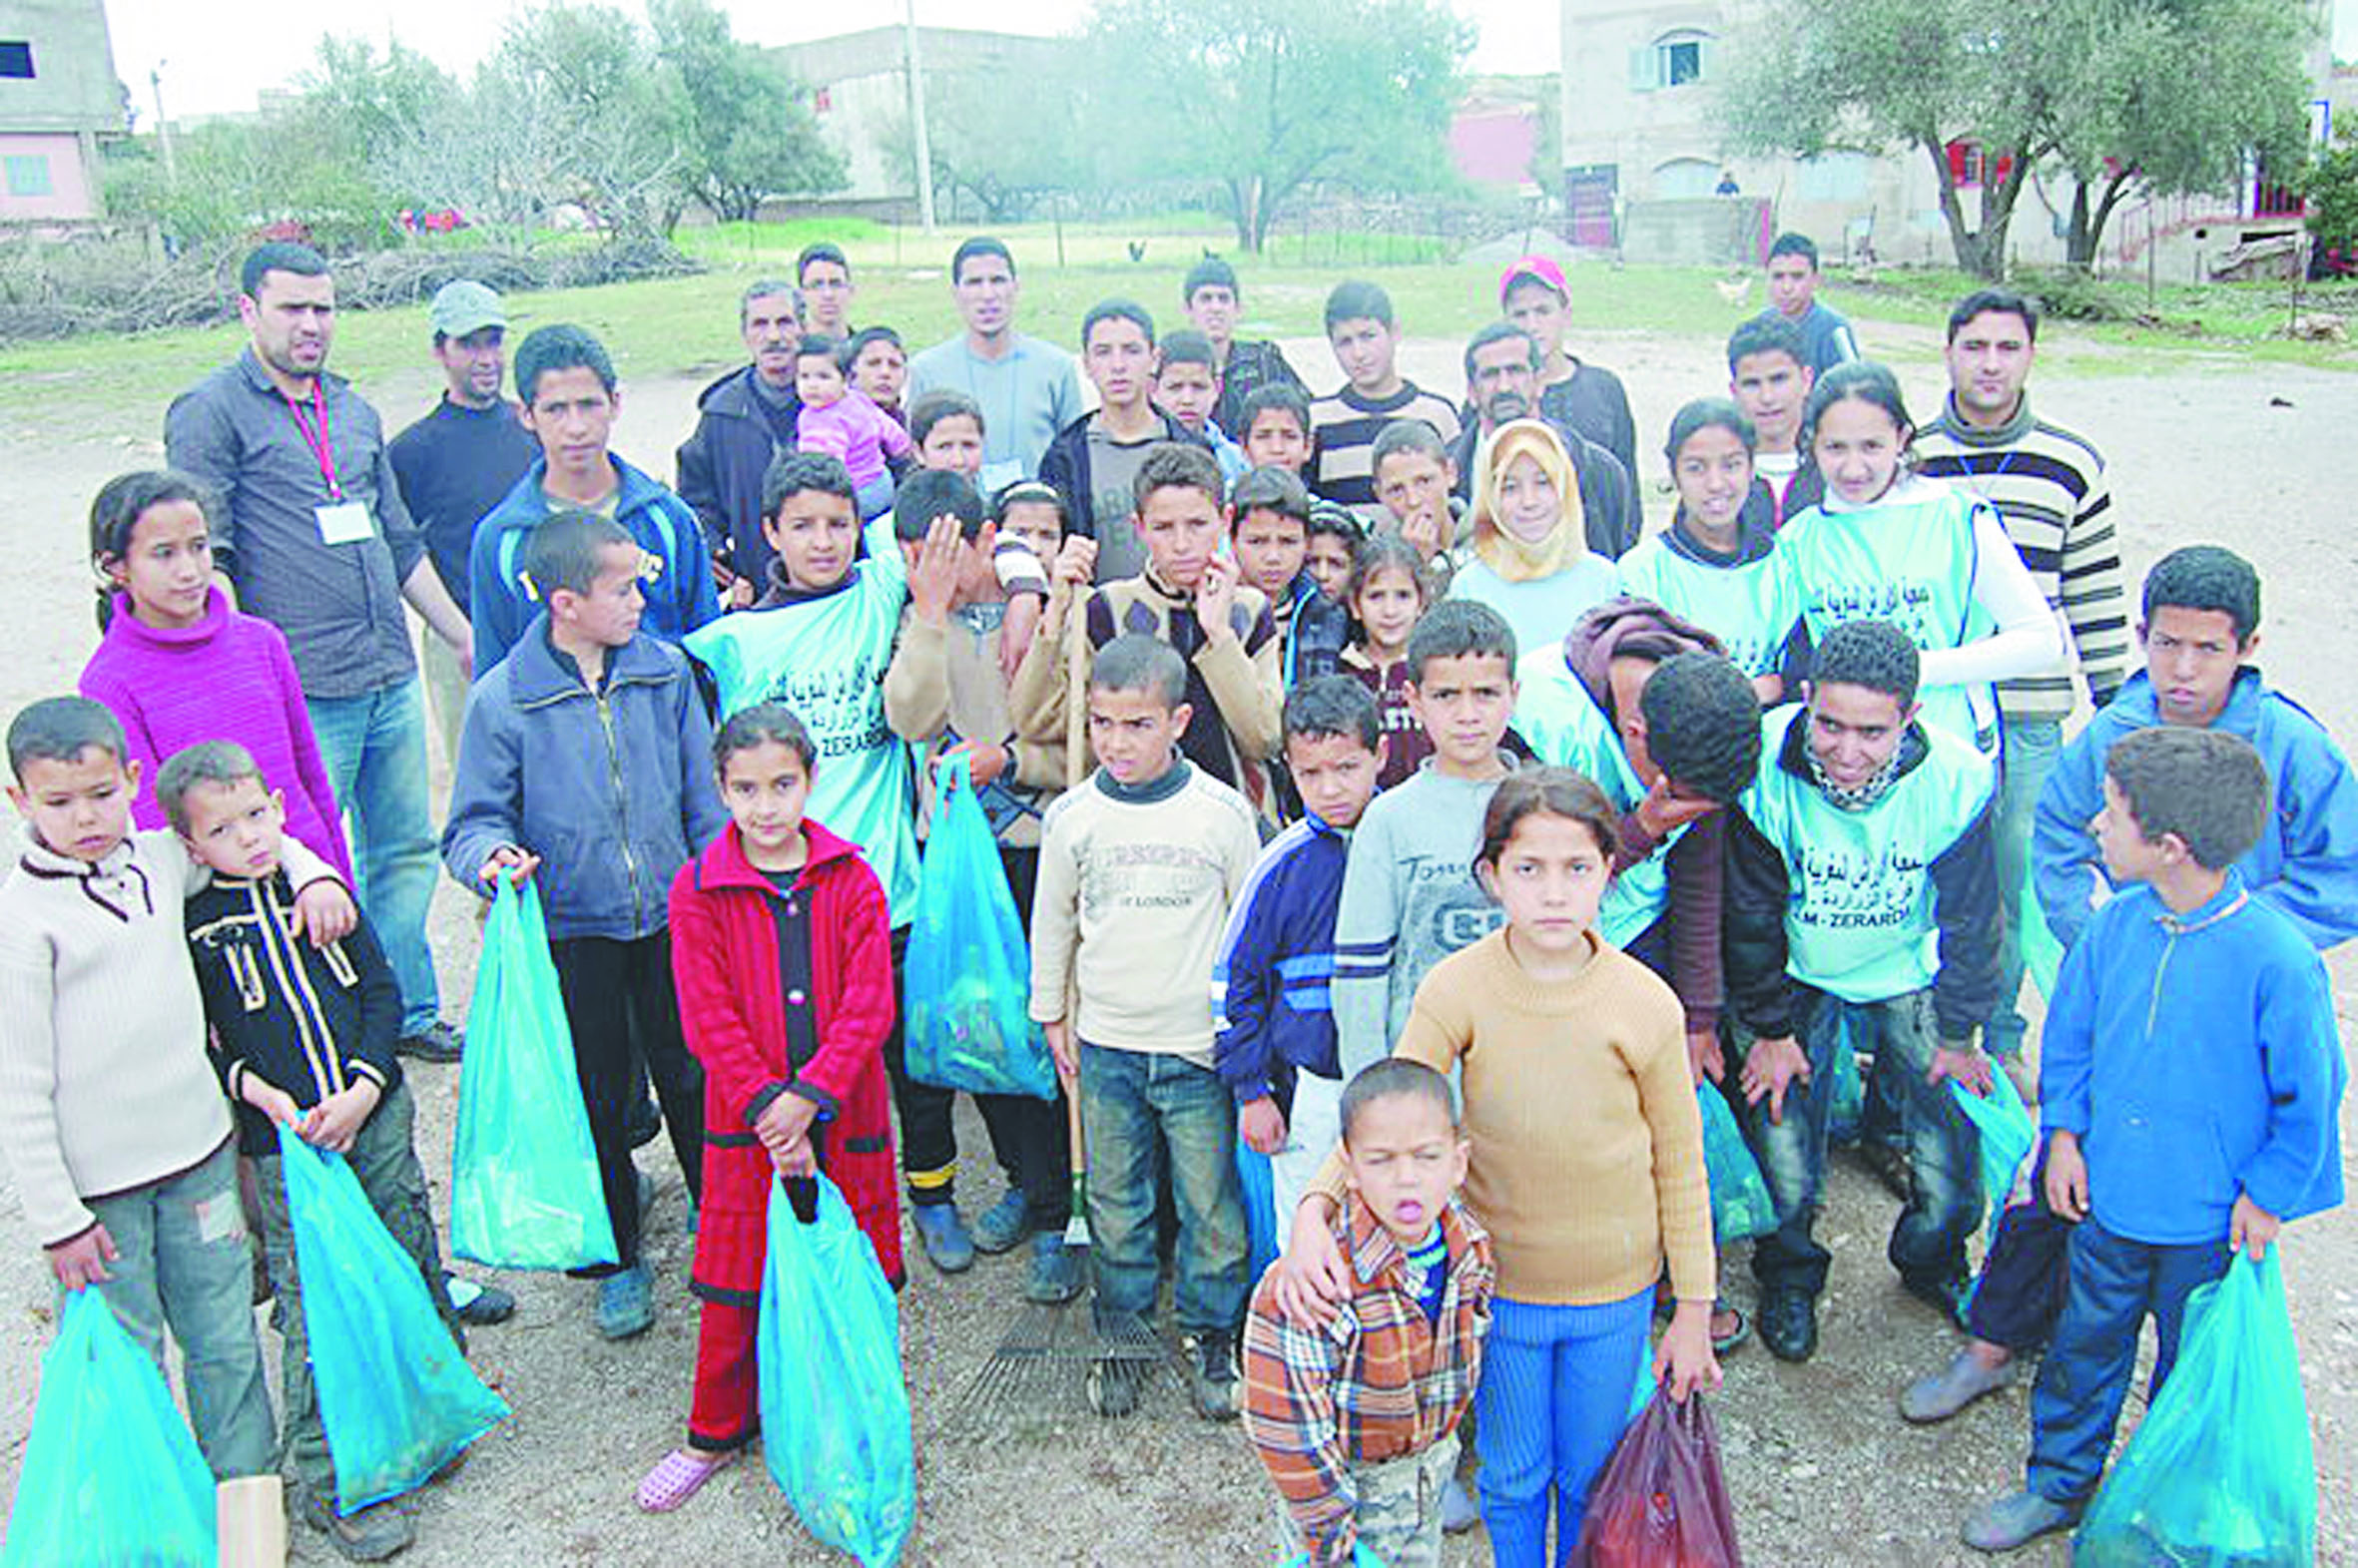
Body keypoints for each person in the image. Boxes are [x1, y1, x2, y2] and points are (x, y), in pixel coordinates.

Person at [1902, 545, 2358, 1424]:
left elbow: (2340, 871)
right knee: (2046, 1187)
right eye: (2167, 644)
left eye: (2208, 650)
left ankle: (2176, 1424)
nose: (2183, 671)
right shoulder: (2113, 729)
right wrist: (2100, 935)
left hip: (2220, 1035)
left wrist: (2228, 944)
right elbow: (2059, 837)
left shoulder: (2293, 744)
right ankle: (1993, 1345)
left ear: (2248, 646)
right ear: (2141, 636)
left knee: (2198, 1239)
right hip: (2121, 1015)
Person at [1276, 769, 1720, 1563]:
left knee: (1591, 1474)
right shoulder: (1459, 986)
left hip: (1615, 1294)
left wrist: (1692, 1309)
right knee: (1512, 1476)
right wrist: (1314, 1208)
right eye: (1529, 869)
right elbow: (1391, 1113)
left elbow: (1681, 1165)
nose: (1554, 892)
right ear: (1491, 876)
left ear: (1609, 871)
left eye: (1577, 868)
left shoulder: (1645, 1001)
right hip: (1499, 1291)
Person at [1960, 727, 2345, 1554]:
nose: (2096, 825)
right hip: (2108, 1203)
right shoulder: (2114, 927)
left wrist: (2269, 1196)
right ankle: (2057, 1483)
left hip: (2210, 1228)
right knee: (2083, 1349)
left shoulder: (2276, 960)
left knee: (2187, 1375)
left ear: (2168, 846)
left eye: (2112, 814)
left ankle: (2168, 1501)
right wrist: (2063, 1134)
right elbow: (2070, 1037)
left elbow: (2311, 1098)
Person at [688, 454, 1040, 1271]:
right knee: (808, 1053)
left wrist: (1021, 590)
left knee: (913, 1062)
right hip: (786, 892)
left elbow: (988, 537)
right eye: (802, 526)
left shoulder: (884, 585)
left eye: (839, 524)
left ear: (862, 528)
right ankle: (816, 1192)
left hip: (888, 886)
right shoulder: (732, 638)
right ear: (768, 532)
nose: (823, 541)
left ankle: (934, 1195)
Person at [0, 698, 357, 1488]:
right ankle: (156, 1514)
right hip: (102, 1196)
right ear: (19, 801)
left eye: (101, 792)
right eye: (59, 802)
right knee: (129, 1360)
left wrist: (318, 871)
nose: (86, 816)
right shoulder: (22, 920)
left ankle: (249, 1503)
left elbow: (261, 845)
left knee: (225, 1336)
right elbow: (19, 1089)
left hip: (199, 1157)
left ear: (131, 779)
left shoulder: (162, 857)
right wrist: (59, 1219)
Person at [165, 241, 469, 1062]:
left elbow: (400, 541)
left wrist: (462, 635)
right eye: (292, 308)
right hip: (301, 685)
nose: (310, 325)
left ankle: (405, 1008)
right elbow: (209, 550)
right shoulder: (212, 410)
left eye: (322, 308)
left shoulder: (352, 410)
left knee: (405, 848)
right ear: (248, 311)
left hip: (387, 671)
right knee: (297, 855)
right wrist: (226, 666)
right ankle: (317, 1024)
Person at [161, 741, 464, 1561]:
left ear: (279, 808)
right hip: (287, 1142)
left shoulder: (320, 892)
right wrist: (259, 1094)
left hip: (375, 1117)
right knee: (310, 1305)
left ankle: (434, 1416)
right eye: (223, 828)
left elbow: (380, 991)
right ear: (192, 848)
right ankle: (327, 1479)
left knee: (408, 1251)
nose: (249, 837)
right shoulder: (198, 930)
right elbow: (206, 1043)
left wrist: (367, 1087)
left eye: (257, 814)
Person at [443, 511, 724, 1338]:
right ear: (566, 601)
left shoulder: (664, 673)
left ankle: (724, 1224)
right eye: (624, 586)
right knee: (595, 1094)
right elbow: (470, 824)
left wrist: (718, 888)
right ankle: (612, 1256)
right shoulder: (503, 698)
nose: (643, 597)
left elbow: (701, 797)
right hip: (573, 931)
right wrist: (494, 859)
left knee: (695, 1077)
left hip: (673, 917)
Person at [635, 704, 902, 1514]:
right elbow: (704, 1012)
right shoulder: (698, 888)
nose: (765, 805)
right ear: (720, 788)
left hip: (843, 1111)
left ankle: (856, 1404)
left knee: (858, 1265)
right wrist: (769, 1107)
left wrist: (811, 1093)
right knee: (735, 1273)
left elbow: (869, 1001)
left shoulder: (852, 878)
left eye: (783, 784)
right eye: (745, 788)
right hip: (745, 1124)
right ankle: (715, 1428)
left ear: (810, 782)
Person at [1722, 621, 2005, 1361]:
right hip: (1796, 968)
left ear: (1910, 717)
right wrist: (1770, 1030)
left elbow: (1976, 914)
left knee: (1949, 1142)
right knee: (1781, 1142)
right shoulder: (1762, 766)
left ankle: (1933, 1258)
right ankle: (1788, 1272)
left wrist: (1959, 1033)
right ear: (1806, 699)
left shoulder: (1957, 778)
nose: (1846, 752)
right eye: (1830, 725)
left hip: (1910, 968)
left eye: (1872, 732)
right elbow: (1748, 913)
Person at [1028, 634, 1263, 1421]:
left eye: (1137, 724)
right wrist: (1051, 1013)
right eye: (1102, 722)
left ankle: (1211, 1332)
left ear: (1179, 720)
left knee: (1209, 1203)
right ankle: (1122, 1332)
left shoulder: (1224, 815)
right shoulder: (1074, 817)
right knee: (1119, 1201)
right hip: (1107, 1047)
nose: (1117, 742)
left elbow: (1247, 935)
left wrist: (1241, 1037)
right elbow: (1053, 923)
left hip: (1195, 1050)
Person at [1914, 288, 2131, 1067]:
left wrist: (2118, 711)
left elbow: (2097, 597)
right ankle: (1928, 1036)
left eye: (2008, 348)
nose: (1991, 364)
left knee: (2017, 881)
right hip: (1935, 714)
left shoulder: (2071, 464)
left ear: (2031, 356)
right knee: (1939, 879)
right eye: (1975, 347)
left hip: (2031, 718)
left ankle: (1998, 1040)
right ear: (1949, 353)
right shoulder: (1912, 459)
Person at [883, 467, 1081, 1305]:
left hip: (1043, 846)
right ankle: (1025, 1184)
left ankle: (1069, 1210)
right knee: (983, 1025)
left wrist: (1013, 763)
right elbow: (909, 717)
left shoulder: (1045, 601)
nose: (915, 569)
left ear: (970, 541)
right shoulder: (914, 617)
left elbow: (1078, 734)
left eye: (929, 555)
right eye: (905, 556)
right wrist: (928, 615)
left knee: (1050, 1028)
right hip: (960, 857)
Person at [1242, 1058, 1494, 1568]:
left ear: (1459, 1162)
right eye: (1380, 1160)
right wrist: (1331, 1536)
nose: (1407, 1179)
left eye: (1427, 1156)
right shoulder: (1316, 1282)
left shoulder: (1471, 1250)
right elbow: (1287, 1426)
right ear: (1349, 1169)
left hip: (1428, 1477)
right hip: (1348, 1501)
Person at [1777, 361, 2063, 757]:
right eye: (1835, 447)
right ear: (1812, 443)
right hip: (1843, 760)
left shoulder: (1957, 519)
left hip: (1951, 756)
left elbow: (2041, 640)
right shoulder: (1798, 540)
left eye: (1872, 446)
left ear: (1902, 438)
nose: (1853, 467)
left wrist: (1920, 669)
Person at [82, 470, 349, 881]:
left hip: (310, 879)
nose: (189, 570)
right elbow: (154, 823)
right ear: (116, 566)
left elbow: (309, 774)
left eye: (198, 547)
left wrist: (334, 876)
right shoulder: (109, 681)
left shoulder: (262, 641)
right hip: (213, 901)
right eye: (164, 553)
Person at [1014, 443, 1286, 826]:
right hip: (1130, 826)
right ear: (1139, 527)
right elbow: (1038, 721)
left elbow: (1264, 738)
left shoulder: (1249, 610)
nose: (1180, 544)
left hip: (1236, 825)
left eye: (1196, 524)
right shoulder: (1107, 609)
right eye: (1162, 528)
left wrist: (1219, 635)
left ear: (1225, 521)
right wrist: (1056, 611)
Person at [1216, 678, 1387, 1231]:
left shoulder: (1402, 842)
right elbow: (1234, 983)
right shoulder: (1279, 865)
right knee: (1307, 1223)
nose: (1331, 788)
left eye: (1346, 767)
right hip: (1311, 1084)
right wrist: (1252, 1091)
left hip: (1397, 1075)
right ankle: (1309, 1318)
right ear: (1289, 767)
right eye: (1311, 773)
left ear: (1379, 756)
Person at [469, 324, 721, 670]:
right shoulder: (502, 540)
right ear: (527, 415)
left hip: (660, 717)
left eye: (588, 405)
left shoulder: (666, 520)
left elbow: (708, 649)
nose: (576, 427)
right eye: (555, 409)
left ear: (615, 404)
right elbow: (494, 671)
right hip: (554, 722)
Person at [387, 279, 538, 761]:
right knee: (478, 772)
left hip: (541, 622)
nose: (486, 357)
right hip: (461, 636)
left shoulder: (532, 426)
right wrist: (457, 633)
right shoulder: (414, 449)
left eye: (493, 341)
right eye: (469, 344)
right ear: (440, 350)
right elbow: (400, 549)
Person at [1616, 399, 1799, 696]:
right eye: (1696, 468)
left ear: (1752, 467)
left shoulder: (1783, 565)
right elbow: (1643, 684)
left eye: (1731, 465)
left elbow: (1792, 678)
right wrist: (1752, 689)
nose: (1715, 484)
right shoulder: (1643, 571)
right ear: (1674, 473)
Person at [1038, 298, 1209, 580]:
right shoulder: (1066, 455)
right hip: (1097, 614)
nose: (1118, 365)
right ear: (1086, 364)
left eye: (1131, 351)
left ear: (1154, 359)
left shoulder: (1188, 447)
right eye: (1103, 352)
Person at [906, 236, 1085, 491]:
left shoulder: (1057, 367)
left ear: (1015, 287)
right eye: (974, 283)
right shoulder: (927, 370)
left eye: (997, 281)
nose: (987, 295)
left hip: (1035, 520)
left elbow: (1075, 458)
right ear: (955, 292)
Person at [1449, 323, 1637, 557]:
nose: (1504, 386)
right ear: (1471, 392)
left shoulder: (1598, 471)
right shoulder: (1445, 474)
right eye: (1490, 375)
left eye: (1516, 371)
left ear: (1539, 382)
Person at [1445, 419, 1620, 661]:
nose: (1529, 501)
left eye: (1543, 482)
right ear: (1489, 497)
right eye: (1509, 487)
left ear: (1565, 486)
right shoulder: (1469, 586)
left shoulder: (1602, 579)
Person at [675, 279, 805, 598]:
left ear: (803, 327)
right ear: (745, 334)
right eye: (760, 324)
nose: (773, 337)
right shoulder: (722, 413)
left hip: (833, 581)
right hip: (756, 586)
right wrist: (716, 551)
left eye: (784, 322)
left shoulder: (837, 405)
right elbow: (696, 498)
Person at [1496, 258, 1640, 516]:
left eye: (1543, 311)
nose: (1532, 325)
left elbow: (1628, 486)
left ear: (1566, 314)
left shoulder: (1605, 389)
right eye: (1520, 314)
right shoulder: (1497, 395)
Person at [1309, 281, 1462, 524]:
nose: (1359, 353)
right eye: (1345, 342)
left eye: (1368, 336)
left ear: (1394, 332)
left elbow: (1455, 502)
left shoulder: (1436, 415)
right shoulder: (1318, 420)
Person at [1229, 465, 1350, 688]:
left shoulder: (1325, 613)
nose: (1273, 557)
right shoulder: (1216, 610)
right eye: (1257, 541)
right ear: (1232, 539)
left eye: (1288, 541)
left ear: (1306, 542)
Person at [1340, 532, 1438, 789]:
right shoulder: (1339, 674)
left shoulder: (1438, 672)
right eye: (1376, 596)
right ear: (1355, 605)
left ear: (1422, 602)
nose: (1390, 610)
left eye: (1403, 596)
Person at [1182, 255, 1306, 438]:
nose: (1215, 308)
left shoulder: (1264, 361)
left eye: (1223, 299)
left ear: (1238, 309)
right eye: (1205, 299)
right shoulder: (1173, 369)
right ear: (1188, 310)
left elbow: (1302, 414)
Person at [793, 334, 912, 522]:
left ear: (845, 379)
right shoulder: (856, 398)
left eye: (823, 377)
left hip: (860, 492)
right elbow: (885, 425)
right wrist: (902, 446)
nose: (812, 385)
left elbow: (826, 467)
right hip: (882, 479)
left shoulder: (821, 421)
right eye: (804, 377)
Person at [1724, 316, 1823, 523]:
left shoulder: (1834, 469)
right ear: (1734, 391)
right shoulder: (1718, 475)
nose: (1766, 397)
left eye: (1779, 380)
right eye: (1752, 384)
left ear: (1806, 380)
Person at [1752, 232, 1859, 375]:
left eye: (1797, 277)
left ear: (1815, 280)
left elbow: (1852, 389)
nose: (1786, 288)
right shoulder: (1757, 328)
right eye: (1778, 276)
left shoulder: (1834, 330)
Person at [1154, 327, 1249, 482]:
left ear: (1217, 388)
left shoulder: (1236, 462)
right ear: (1153, 389)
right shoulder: (1141, 452)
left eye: (1198, 387)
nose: (1187, 400)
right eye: (1175, 387)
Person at [1369, 419, 1464, 570]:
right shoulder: (1376, 563)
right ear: (1379, 495)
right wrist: (1413, 564)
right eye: (1396, 490)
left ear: (1450, 473)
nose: (1413, 500)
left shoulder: (1489, 536)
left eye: (1424, 482)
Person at [1239, 382, 1317, 478]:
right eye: (1263, 437)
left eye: (1290, 437)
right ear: (1244, 447)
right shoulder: (1226, 493)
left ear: (1307, 446)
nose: (1277, 448)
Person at [849, 326, 908, 425]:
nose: (885, 372)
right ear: (853, 370)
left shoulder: (913, 426)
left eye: (894, 365)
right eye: (873, 364)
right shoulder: (833, 423)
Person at [797, 241, 856, 339]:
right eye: (816, 285)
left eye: (835, 284)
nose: (828, 294)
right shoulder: (791, 351)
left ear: (850, 290)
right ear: (801, 294)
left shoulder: (864, 352)